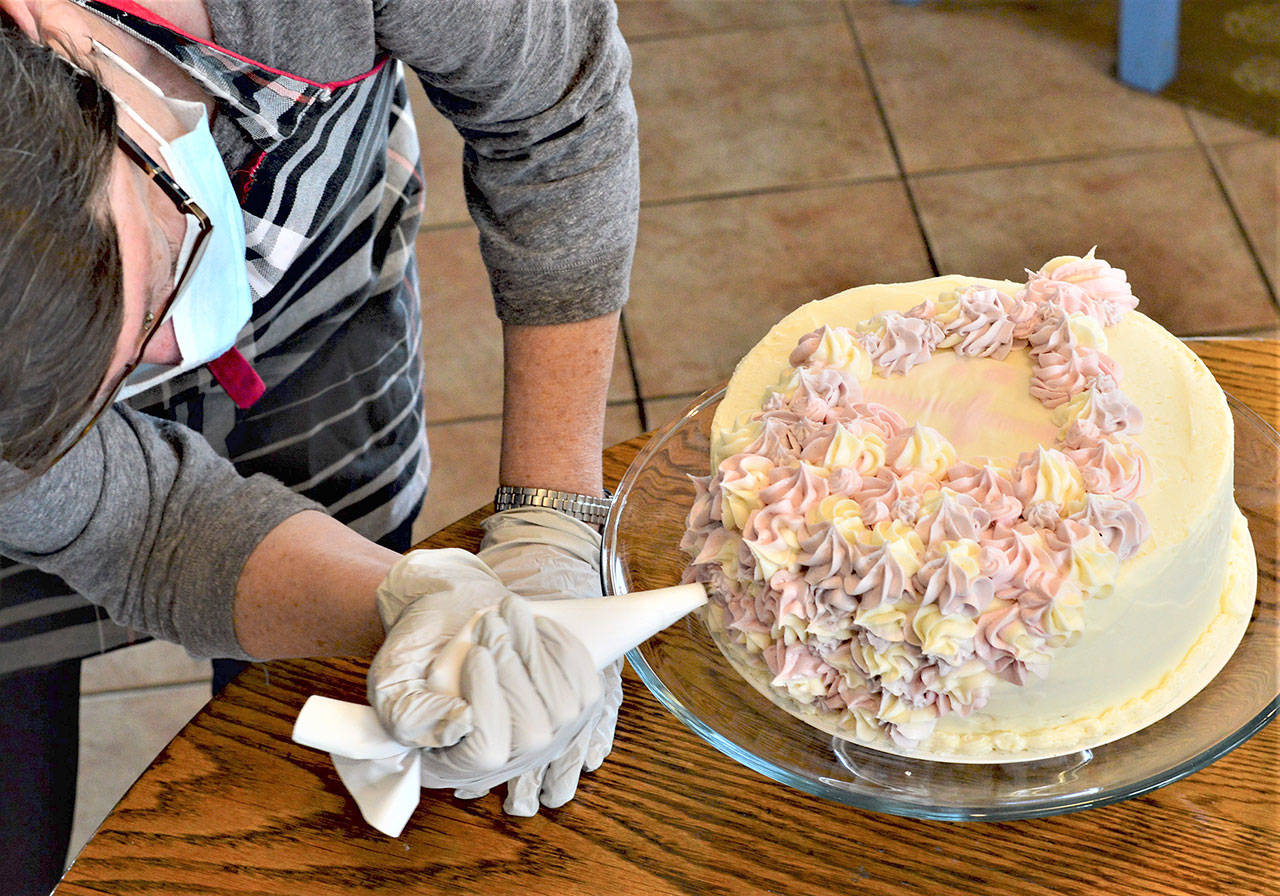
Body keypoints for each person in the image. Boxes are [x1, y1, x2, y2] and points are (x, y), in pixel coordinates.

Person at [0, 0, 639, 892]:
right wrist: (410, 606)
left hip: (318, 324)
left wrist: (548, 520)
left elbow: (555, 111)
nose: (175, 351)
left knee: (311, 790)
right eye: (108, 387)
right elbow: (133, 526)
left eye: (150, 294)